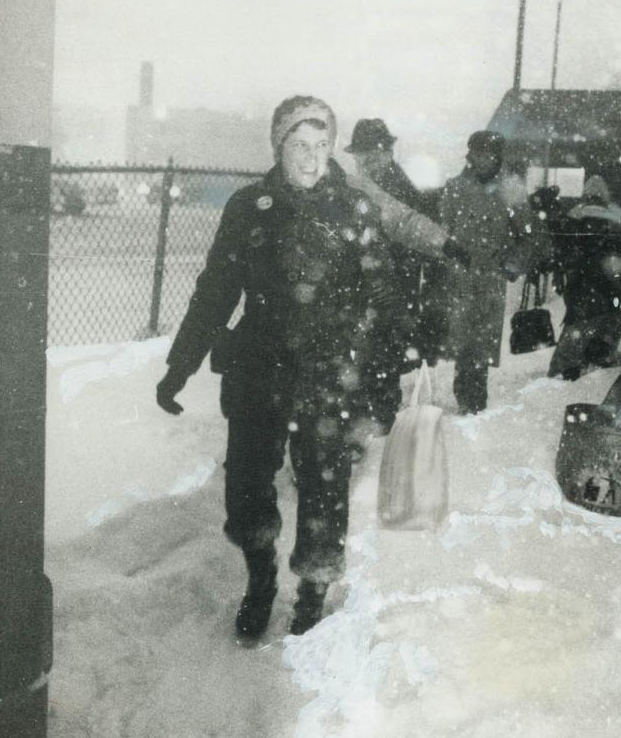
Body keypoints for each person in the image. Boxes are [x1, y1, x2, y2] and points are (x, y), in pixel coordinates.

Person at [153, 95, 460, 641]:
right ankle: (261, 581)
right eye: (300, 145)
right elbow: (216, 291)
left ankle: (311, 596)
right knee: (246, 486)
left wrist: (397, 362)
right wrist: (181, 364)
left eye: (322, 146)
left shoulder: (357, 210)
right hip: (257, 372)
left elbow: (384, 296)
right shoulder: (248, 208)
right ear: (279, 147)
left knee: (324, 489)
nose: (313, 159)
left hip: (329, 375)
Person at [343, 117, 453, 432]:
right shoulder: (356, 186)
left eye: (375, 151)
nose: (368, 158)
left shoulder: (401, 189)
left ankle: (378, 426)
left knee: (380, 359)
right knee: (364, 358)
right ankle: (368, 420)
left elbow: (422, 242)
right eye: (362, 152)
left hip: (392, 288)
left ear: (389, 151)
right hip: (361, 287)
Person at [438, 130, 540, 414]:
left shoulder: (511, 190)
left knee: (480, 345)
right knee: (462, 343)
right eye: (477, 154)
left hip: (491, 279)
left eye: (489, 155)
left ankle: (474, 401)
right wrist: (449, 258)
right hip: (460, 277)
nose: (482, 160)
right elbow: (442, 232)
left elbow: (530, 236)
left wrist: (512, 263)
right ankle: (465, 398)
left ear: (498, 157)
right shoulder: (455, 188)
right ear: (470, 155)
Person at [547, 175, 621, 380]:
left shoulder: (572, 218)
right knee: (604, 333)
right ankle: (599, 357)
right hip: (610, 290)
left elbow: (558, 248)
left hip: (580, 288)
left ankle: (564, 375)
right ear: (604, 197)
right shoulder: (614, 221)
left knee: (571, 345)